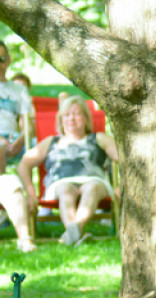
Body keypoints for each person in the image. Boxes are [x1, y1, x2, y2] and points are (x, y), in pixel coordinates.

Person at [16, 95, 118, 247]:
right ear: (61, 120)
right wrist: (31, 193)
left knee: (92, 187)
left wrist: (122, 186)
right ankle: (76, 232)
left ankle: (72, 232)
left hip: (94, 181)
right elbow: (23, 165)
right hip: (61, 183)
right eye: (67, 115)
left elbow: (124, 158)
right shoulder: (51, 142)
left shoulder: (99, 138)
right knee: (65, 190)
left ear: (86, 118)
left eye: (77, 114)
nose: (71, 118)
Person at [0, 41, 37, 252]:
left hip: (15, 139)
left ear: (9, 60)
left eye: (2, 59)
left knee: (38, 149)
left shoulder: (18, 90)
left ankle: (34, 197)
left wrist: (21, 139)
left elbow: (26, 120)